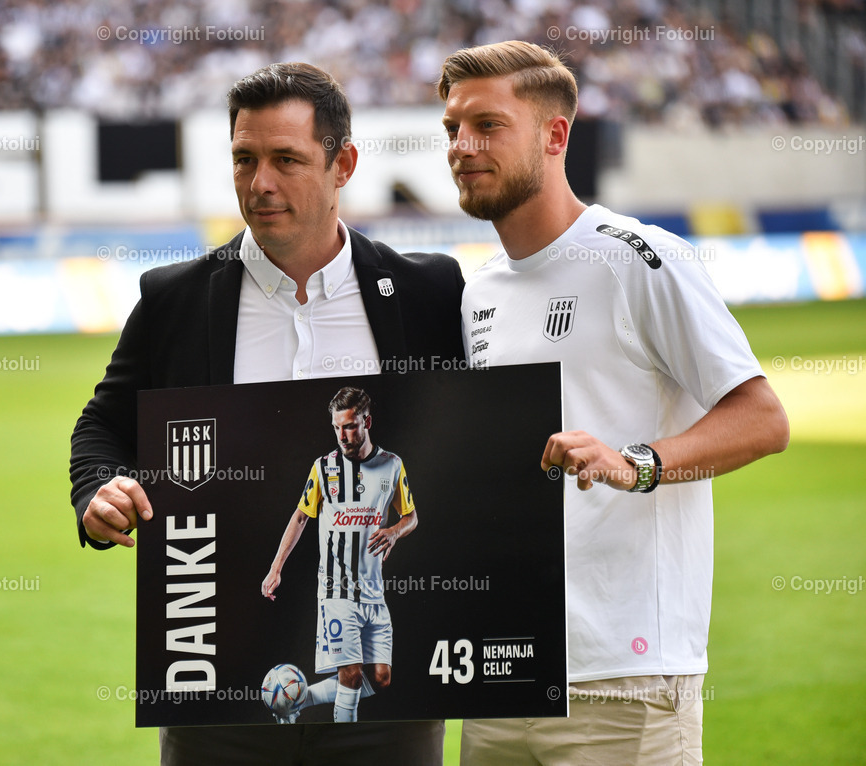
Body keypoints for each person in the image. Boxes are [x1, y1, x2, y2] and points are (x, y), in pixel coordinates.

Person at [69, 62, 463, 766]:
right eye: (244, 160)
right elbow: (101, 427)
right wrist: (98, 490)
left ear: (343, 163)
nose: (261, 183)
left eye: (286, 160)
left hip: (386, 703)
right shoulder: (176, 301)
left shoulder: (425, 294)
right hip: (216, 687)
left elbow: (469, 442)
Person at [438, 41, 789, 765]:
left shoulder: (638, 258)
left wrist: (638, 462)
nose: (462, 147)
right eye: (451, 129)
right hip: (505, 674)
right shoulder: (480, 291)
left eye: (487, 125)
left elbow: (762, 418)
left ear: (554, 135)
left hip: (623, 679)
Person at [261, 386, 417, 724]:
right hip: (336, 590)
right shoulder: (323, 468)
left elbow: (411, 516)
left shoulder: (392, 465)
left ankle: (297, 700)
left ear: (367, 422)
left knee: (381, 678)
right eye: (336, 427)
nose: (342, 435)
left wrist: (393, 532)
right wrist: (276, 568)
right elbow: (301, 516)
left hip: (374, 591)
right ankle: (342, 745)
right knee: (350, 675)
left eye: (349, 426)